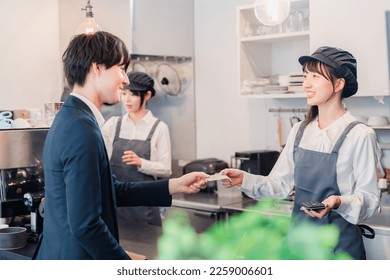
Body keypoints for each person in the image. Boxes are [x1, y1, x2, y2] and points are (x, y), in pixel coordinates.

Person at [32, 31, 208, 260]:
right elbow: (86, 225)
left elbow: (112, 189)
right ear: (97, 67)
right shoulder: (81, 129)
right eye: (121, 68)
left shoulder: (74, 118)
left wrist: (174, 185)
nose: (125, 79)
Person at [221, 46, 381, 260]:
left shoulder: (360, 135)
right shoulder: (300, 131)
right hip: (299, 247)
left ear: (338, 84)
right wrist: (245, 179)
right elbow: (281, 185)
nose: (306, 83)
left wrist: (338, 202)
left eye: (315, 76)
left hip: (339, 249)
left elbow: (370, 199)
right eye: (305, 76)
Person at [101, 71, 171, 226]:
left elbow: (166, 169)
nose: (127, 99)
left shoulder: (159, 128)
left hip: (144, 206)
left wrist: (141, 163)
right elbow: (98, 156)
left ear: (146, 96)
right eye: (124, 93)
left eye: (132, 94)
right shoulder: (113, 124)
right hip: (116, 204)